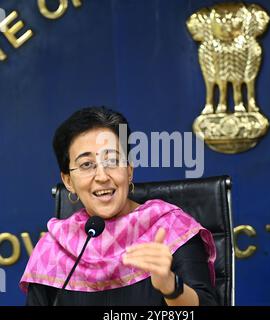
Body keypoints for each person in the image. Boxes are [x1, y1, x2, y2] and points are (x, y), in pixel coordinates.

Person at [20, 106, 218, 306]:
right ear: (68, 181)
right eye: (87, 164)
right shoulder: (54, 248)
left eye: (112, 160)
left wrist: (170, 286)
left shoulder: (172, 229)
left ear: (129, 170)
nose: (102, 176)